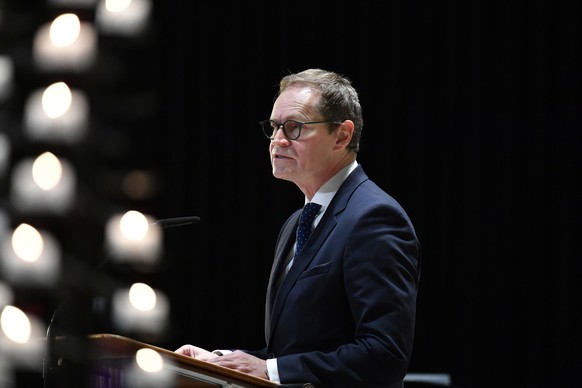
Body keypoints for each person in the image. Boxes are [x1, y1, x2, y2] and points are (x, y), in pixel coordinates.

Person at [175, 68, 420, 387]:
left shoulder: (374, 218)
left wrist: (269, 371)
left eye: (294, 128)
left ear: (342, 135)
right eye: (274, 127)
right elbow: (292, 352)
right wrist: (221, 362)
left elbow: (384, 355)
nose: (278, 139)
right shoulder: (297, 222)